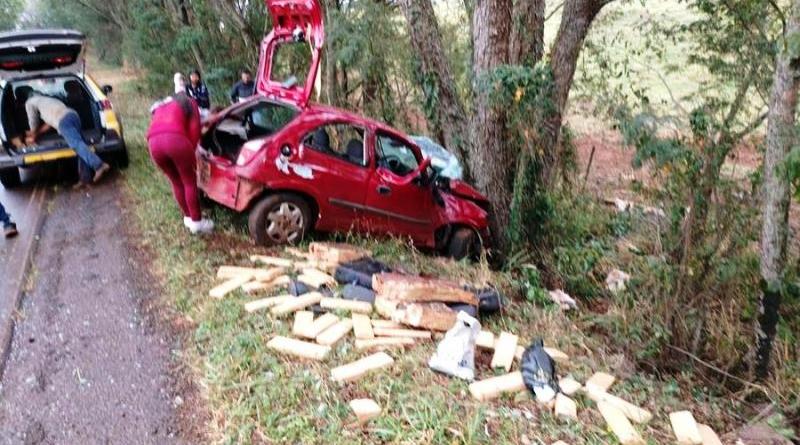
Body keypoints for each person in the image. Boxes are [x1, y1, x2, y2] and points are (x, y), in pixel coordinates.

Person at [147, 92, 213, 234]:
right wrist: (193, 150)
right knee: (189, 182)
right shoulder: (190, 103)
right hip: (175, 140)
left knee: (176, 182)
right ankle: (197, 222)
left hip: (153, 144)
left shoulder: (162, 106)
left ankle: (188, 218)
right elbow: (195, 132)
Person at [20, 88, 111, 184]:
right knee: (81, 146)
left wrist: (31, 136)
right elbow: (49, 124)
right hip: (73, 115)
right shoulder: (46, 100)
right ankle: (85, 179)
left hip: (64, 121)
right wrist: (36, 134)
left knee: (76, 145)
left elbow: (33, 123)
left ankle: (99, 165)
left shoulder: (29, 102)